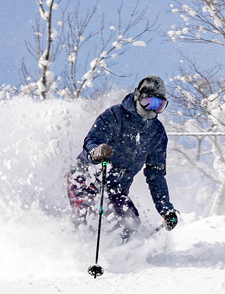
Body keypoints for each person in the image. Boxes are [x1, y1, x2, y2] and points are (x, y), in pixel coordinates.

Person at [67, 75, 179, 239]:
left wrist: (165, 209)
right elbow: (92, 140)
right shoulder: (114, 115)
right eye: (148, 102)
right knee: (88, 217)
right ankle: (77, 253)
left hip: (116, 189)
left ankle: (124, 258)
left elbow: (156, 175)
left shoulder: (157, 132)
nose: (151, 110)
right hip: (86, 179)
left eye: (159, 106)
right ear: (137, 97)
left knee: (130, 223)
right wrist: (96, 152)